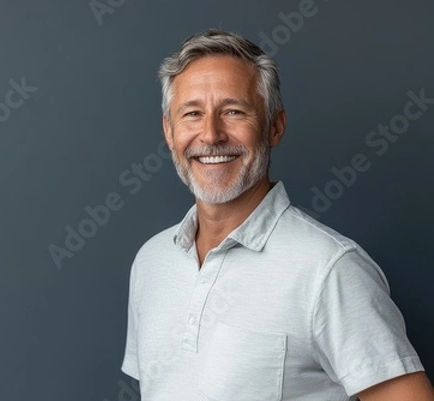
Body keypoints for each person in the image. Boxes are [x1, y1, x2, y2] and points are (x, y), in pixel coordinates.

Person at [120, 28, 434, 400]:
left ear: (274, 126)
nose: (210, 134)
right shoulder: (152, 262)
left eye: (233, 111)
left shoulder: (329, 268)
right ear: (169, 132)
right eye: (192, 114)